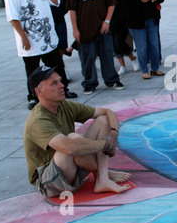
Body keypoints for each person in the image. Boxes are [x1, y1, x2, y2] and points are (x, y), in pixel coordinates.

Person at [24, 66, 132, 198]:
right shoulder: (38, 120)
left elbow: (107, 112)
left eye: (60, 81)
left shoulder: (64, 105)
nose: (62, 85)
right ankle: (104, 173)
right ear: (38, 91)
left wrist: (114, 134)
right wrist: (106, 144)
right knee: (73, 139)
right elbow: (70, 148)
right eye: (54, 83)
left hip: (70, 167)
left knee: (103, 120)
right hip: (50, 182)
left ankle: (102, 178)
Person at [4, 0, 77, 110]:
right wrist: (23, 36)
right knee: (32, 70)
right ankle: (33, 97)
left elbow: (56, 2)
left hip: (48, 38)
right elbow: (13, 18)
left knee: (57, 67)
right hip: (30, 40)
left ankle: (64, 90)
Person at [66, 0, 125, 95]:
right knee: (87, 58)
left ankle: (112, 80)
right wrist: (75, 29)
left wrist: (107, 21)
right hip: (84, 30)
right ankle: (89, 83)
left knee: (107, 56)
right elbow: (72, 10)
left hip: (103, 29)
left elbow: (111, 4)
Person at [122, 0, 164, 80]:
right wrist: (139, 1)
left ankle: (155, 68)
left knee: (154, 44)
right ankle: (145, 70)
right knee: (142, 47)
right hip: (136, 22)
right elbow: (125, 5)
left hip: (151, 18)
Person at [36, 0, 72, 80]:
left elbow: (67, 0)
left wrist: (62, 11)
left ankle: (60, 66)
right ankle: (52, 70)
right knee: (48, 48)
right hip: (44, 22)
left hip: (58, 20)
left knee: (61, 44)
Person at [103, 0, 139, 75]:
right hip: (109, 21)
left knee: (119, 42)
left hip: (120, 21)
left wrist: (119, 19)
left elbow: (123, 6)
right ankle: (122, 66)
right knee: (114, 46)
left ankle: (133, 58)